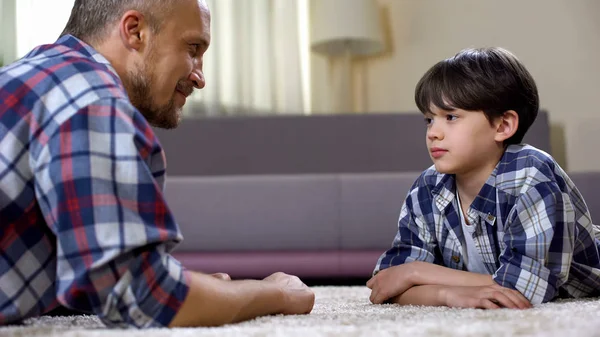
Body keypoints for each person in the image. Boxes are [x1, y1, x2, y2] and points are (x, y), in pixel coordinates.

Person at [0, 0, 314, 328]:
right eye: (193, 48)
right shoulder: (92, 103)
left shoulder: (39, 78)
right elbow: (145, 298)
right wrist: (275, 293)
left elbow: (93, 282)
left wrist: (199, 290)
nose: (200, 77)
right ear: (135, 32)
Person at [367, 47, 600, 309]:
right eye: (429, 120)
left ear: (503, 126)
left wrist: (416, 272)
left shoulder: (531, 175)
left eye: (451, 117)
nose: (433, 132)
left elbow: (523, 290)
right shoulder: (427, 187)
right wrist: (449, 295)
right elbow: (387, 285)